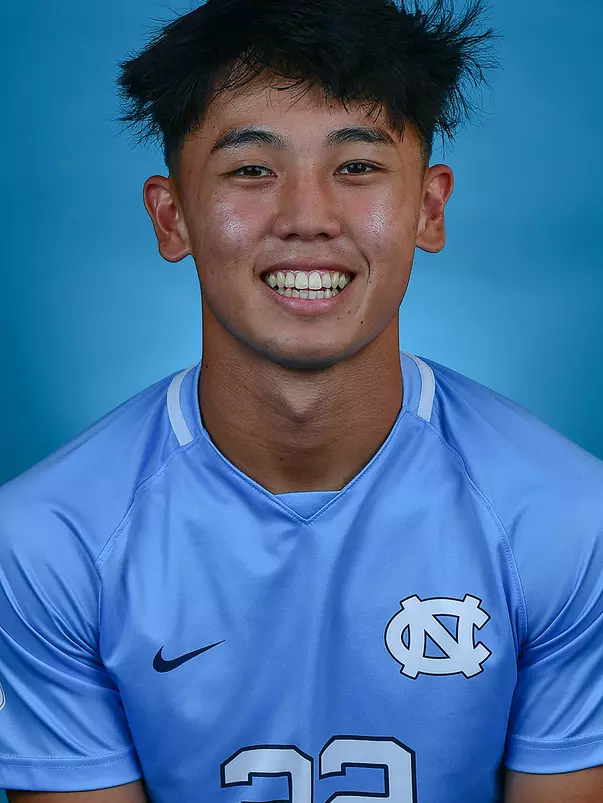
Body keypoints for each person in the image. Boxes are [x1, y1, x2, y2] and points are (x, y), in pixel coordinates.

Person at [1, 0, 602, 800]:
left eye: (356, 167)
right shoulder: (47, 544)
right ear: (171, 215)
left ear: (428, 207)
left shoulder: (568, 518)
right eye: (251, 169)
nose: (308, 219)